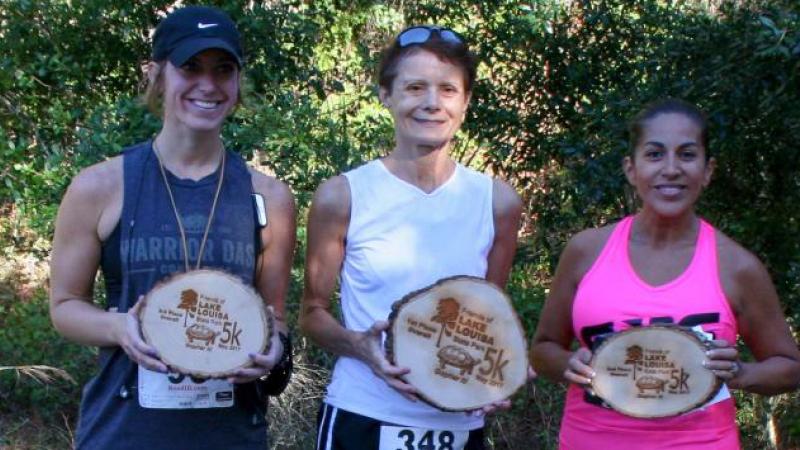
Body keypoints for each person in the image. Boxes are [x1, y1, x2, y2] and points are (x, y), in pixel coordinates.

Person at [49, 6, 295, 449]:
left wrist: (273, 350)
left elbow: (273, 316)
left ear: (238, 84)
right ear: (157, 75)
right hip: (124, 434)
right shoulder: (100, 187)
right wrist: (119, 327)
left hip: (231, 435)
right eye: (190, 67)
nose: (208, 84)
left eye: (224, 70)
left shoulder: (269, 197)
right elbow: (65, 305)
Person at [300, 25, 523, 450]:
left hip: (458, 427)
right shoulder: (343, 196)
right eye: (415, 87)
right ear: (387, 94)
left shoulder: (497, 203)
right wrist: (360, 346)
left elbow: (490, 321)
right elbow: (312, 315)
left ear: (466, 101)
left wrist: (500, 374)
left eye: (448, 89)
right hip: (363, 416)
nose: (432, 103)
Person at [530, 98, 800, 449]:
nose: (671, 169)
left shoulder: (737, 266)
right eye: (655, 154)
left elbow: (790, 367)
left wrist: (742, 373)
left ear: (707, 170)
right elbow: (542, 349)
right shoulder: (587, 251)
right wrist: (569, 363)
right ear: (631, 168)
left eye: (687, 155)